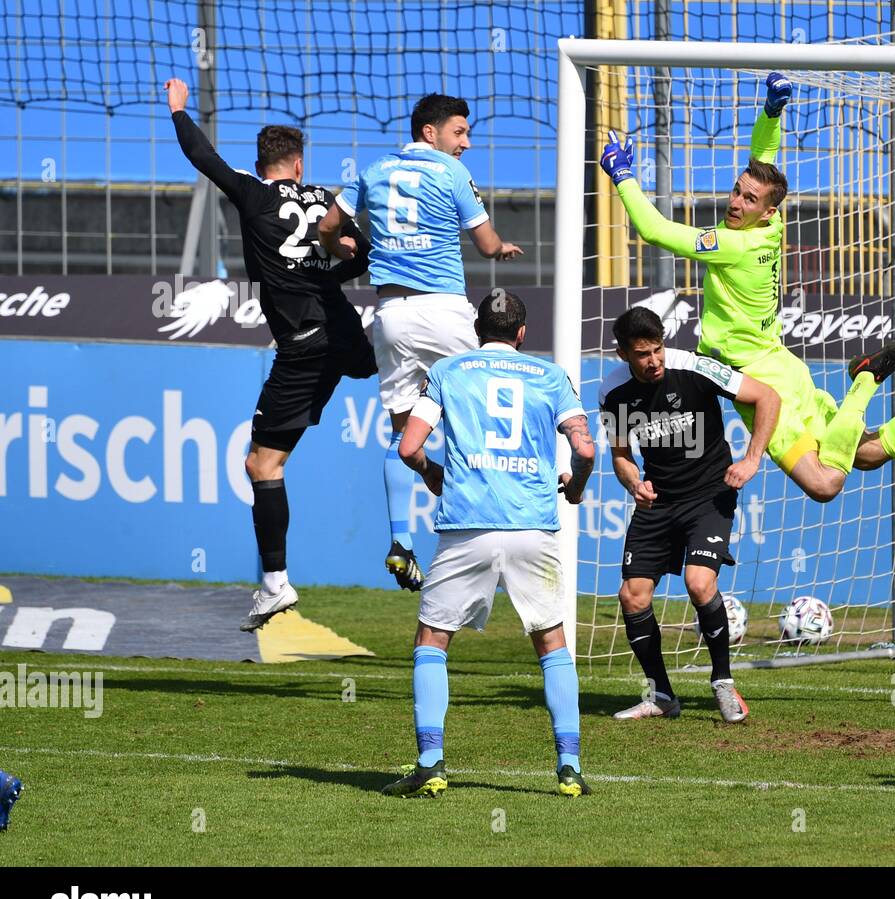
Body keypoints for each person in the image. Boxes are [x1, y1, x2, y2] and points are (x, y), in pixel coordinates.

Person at [599, 72, 895, 504]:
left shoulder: (729, 244)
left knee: (826, 483)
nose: (735, 203)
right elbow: (763, 162)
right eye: (736, 192)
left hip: (758, 378)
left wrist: (622, 175)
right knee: (863, 451)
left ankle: (865, 378)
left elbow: (654, 230)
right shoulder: (770, 225)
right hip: (783, 363)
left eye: (747, 200)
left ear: (766, 212)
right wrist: (773, 112)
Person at [165, 78, 376, 631]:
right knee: (370, 370)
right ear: (300, 165)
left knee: (262, 463)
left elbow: (200, 155)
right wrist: (331, 269)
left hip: (303, 344)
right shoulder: (328, 200)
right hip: (345, 335)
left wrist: (179, 110)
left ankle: (275, 585)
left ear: (264, 165)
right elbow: (359, 255)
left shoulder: (252, 192)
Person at [382, 290, 596, 798]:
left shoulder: (450, 371)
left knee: (432, 642)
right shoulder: (550, 376)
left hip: (467, 526)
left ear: (478, 329)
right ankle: (569, 769)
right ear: (523, 333)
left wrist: (434, 472)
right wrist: (578, 485)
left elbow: (408, 446)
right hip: (532, 528)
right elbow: (585, 447)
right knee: (551, 644)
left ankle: (430, 763)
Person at [318, 93, 522, 591]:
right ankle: (488, 540)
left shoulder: (373, 169)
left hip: (390, 315)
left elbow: (328, 224)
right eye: (460, 132)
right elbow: (487, 244)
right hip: (444, 309)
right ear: (431, 133)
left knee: (401, 435)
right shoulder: (451, 174)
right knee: (476, 421)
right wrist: (504, 249)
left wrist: (340, 244)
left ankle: (400, 543)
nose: (466, 143)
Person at [599, 307, 779, 723]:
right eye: (643, 354)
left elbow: (767, 397)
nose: (654, 360)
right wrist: (632, 484)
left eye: (658, 349)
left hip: (708, 496)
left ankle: (723, 683)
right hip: (658, 500)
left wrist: (752, 460)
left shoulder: (695, 367)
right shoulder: (613, 392)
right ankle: (661, 695)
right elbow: (622, 455)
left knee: (700, 584)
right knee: (632, 595)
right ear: (623, 352)